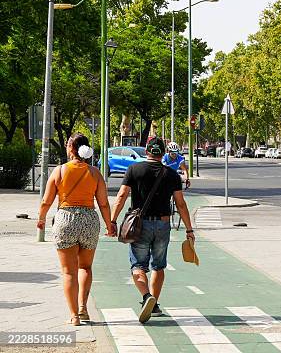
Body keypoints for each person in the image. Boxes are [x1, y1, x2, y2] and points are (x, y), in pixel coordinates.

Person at [110, 137, 195, 324]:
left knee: (138, 266)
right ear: (163, 153)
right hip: (163, 225)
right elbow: (180, 204)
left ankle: (146, 296)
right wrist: (189, 229)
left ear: (147, 151)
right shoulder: (171, 175)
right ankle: (154, 304)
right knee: (159, 265)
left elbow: (122, 195)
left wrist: (113, 220)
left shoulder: (134, 169)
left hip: (140, 225)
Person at [37, 133, 115, 326]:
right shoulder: (94, 173)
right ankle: (83, 308)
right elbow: (104, 204)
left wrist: (41, 219)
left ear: (71, 148)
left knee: (68, 272)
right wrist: (109, 224)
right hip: (89, 219)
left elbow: (47, 200)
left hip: (65, 220)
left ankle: (74, 316)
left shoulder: (60, 171)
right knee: (85, 267)